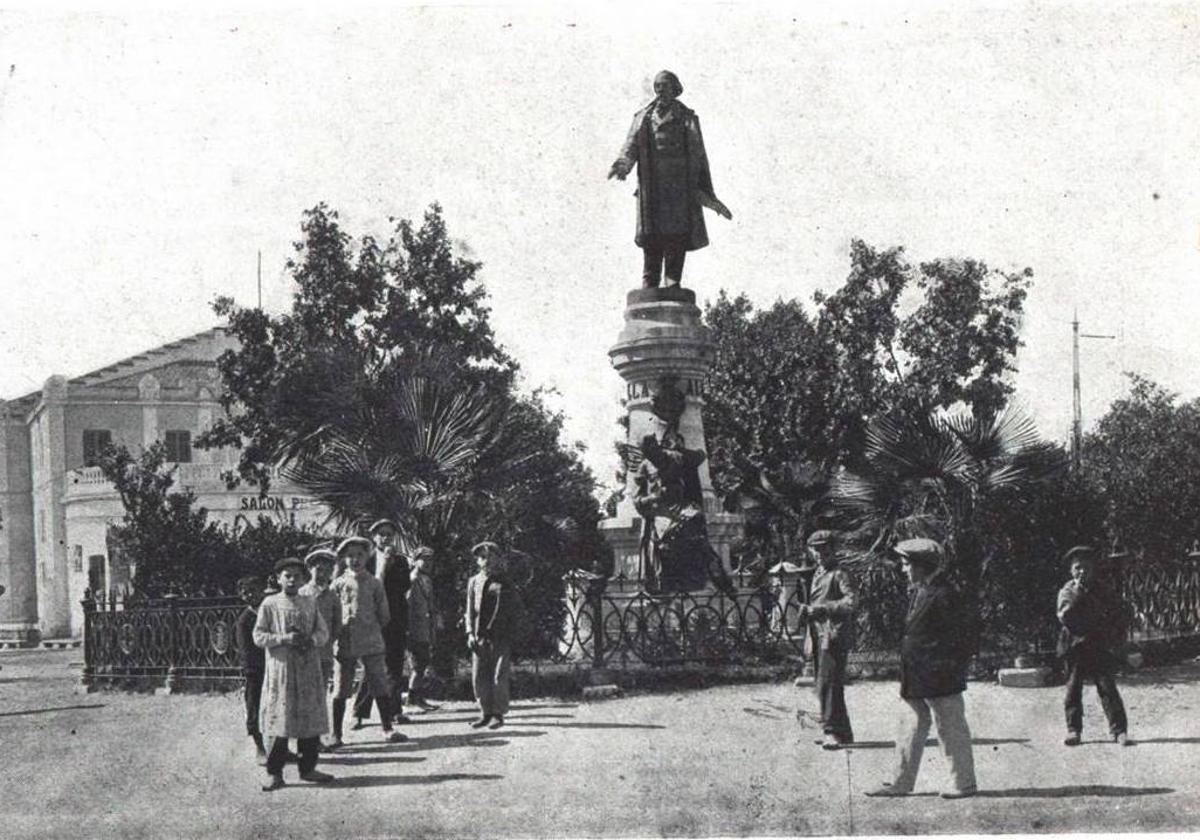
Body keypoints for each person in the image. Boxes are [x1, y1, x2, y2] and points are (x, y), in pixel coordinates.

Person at [866, 538, 977, 800]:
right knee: (910, 725)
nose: (904, 569)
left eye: (907, 564)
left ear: (922, 566)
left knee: (950, 726)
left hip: (939, 674)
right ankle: (900, 782)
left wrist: (949, 668)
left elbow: (963, 636)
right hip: (917, 674)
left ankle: (963, 783)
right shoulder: (922, 591)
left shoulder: (945, 593)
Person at [608, 70, 732, 288]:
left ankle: (672, 278)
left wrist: (705, 193)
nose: (660, 89)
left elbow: (698, 153)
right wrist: (622, 166)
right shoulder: (644, 117)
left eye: (664, 85)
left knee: (676, 234)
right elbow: (631, 145)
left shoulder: (686, 117)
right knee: (651, 234)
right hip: (651, 186)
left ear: (675, 88)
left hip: (678, 188)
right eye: (657, 85)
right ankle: (650, 278)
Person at [253, 557, 335, 792]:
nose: (292, 580)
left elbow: (323, 631)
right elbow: (258, 636)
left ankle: (308, 768)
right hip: (282, 671)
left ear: (303, 579)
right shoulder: (270, 603)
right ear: (278, 578)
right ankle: (275, 773)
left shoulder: (309, 602)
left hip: (308, 669)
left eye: (297, 576)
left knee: (308, 720)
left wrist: (312, 640)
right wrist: (282, 639)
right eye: (287, 575)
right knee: (282, 720)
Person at [330, 536, 407, 744]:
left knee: (379, 683)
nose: (355, 560)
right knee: (341, 688)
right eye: (350, 556)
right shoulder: (337, 584)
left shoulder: (374, 583)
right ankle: (336, 734)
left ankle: (387, 728)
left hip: (371, 640)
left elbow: (384, 615)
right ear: (344, 559)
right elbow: (330, 613)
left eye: (360, 555)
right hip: (345, 642)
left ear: (367, 557)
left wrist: (370, 627)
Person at [1057, 545, 1130, 747]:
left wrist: (1114, 637)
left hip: (1098, 644)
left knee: (1107, 688)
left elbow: (1118, 612)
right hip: (1074, 645)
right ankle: (1074, 730)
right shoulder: (1067, 591)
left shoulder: (1103, 590)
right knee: (1073, 689)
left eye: (1086, 567)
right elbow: (1066, 616)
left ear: (1094, 569)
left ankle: (1119, 730)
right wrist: (1079, 593)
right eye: (1077, 568)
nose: (1082, 572)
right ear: (1071, 571)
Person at [799, 530, 858, 750]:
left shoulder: (840, 573)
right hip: (819, 635)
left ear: (833, 549)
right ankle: (842, 731)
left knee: (829, 684)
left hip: (833, 636)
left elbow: (851, 602)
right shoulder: (818, 573)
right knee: (825, 683)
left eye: (824, 548)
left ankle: (832, 732)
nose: (820, 553)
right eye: (816, 549)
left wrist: (821, 609)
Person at [351, 519, 412, 728]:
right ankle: (359, 713)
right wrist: (383, 566)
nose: (386, 538)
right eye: (382, 534)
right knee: (372, 666)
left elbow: (404, 587)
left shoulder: (402, 561)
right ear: (374, 537)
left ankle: (395, 711)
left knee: (395, 666)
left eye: (389, 534)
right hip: (372, 620)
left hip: (395, 620)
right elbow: (369, 586)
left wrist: (391, 563)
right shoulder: (366, 561)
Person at [465, 542, 525, 730]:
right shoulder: (474, 581)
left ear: (498, 559)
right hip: (478, 635)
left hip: (500, 635)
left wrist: (511, 632)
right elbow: (470, 609)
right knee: (479, 676)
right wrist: (469, 632)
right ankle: (485, 713)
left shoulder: (505, 582)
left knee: (499, 676)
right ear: (477, 561)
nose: (486, 561)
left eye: (491, 557)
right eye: (482, 557)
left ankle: (498, 714)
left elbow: (515, 609)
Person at [299, 548, 342, 749]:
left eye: (327, 569)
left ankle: (316, 739)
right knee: (305, 696)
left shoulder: (332, 596)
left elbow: (336, 626)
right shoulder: (301, 593)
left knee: (320, 696)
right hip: (303, 655)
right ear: (309, 569)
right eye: (318, 569)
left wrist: (326, 643)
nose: (322, 573)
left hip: (323, 655)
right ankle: (305, 740)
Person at [235, 575, 269, 764]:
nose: (250, 595)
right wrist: (250, 669)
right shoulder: (245, 620)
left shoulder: (268, 611)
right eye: (245, 592)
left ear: (262, 590)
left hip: (274, 667)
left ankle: (281, 748)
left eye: (253, 590)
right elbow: (245, 650)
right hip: (255, 670)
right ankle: (260, 747)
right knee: (255, 707)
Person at [406, 545, 440, 712]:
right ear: (415, 560)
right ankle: (414, 698)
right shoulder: (411, 580)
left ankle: (418, 697)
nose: (427, 563)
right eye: (423, 559)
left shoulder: (427, 580)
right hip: (414, 628)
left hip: (426, 627)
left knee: (423, 662)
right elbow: (407, 605)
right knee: (418, 664)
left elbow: (430, 604)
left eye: (430, 560)